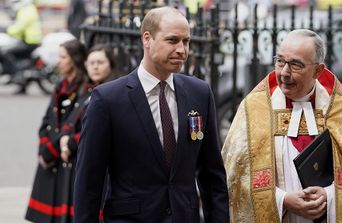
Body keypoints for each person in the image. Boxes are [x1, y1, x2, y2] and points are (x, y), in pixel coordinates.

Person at [74, 6, 229, 223]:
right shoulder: (108, 99)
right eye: (172, 40)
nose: (182, 50)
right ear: (147, 39)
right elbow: (88, 182)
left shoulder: (199, 93)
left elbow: (213, 176)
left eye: (186, 41)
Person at [221, 29, 342, 223]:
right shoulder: (254, 109)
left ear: (318, 70)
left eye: (295, 65)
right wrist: (282, 200)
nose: (284, 73)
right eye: (280, 61)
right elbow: (235, 179)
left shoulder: (341, 110)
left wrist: (329, 196)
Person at [25, 39, 87, 223]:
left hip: (63, 157)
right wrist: (44, 149)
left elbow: (73, 124)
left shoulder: (84, 89)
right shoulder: (60, 85)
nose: (59, 61)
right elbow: (47, 120)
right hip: (51, 156)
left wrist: (51, 152)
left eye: (63, 57)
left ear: (75, 59)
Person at [57, 44, 118, 222]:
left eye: (100, 62)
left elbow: (98, 130)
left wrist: (70, 143)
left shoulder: (113, 91)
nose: (95, 66)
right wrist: (64, 138)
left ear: (110, 64)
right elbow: (71, 119)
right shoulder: (88, 89)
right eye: (91, 63)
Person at [1, 0, 42, 93]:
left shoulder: (26, 10)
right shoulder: (28, 8)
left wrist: (7, 30)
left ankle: (15, 74)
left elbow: (20, 26)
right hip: (29, 40)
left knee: (5, 52)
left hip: (30, 42)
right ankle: (21, 84)